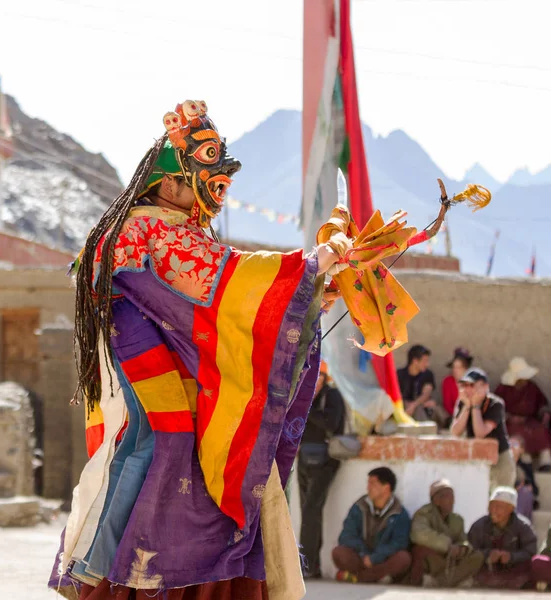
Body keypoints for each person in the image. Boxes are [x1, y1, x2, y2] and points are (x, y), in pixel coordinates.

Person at [48, 100, 353, 600]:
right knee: (164, 432)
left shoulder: (173, 226)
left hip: (153, 336)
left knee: (186, 434)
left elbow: (218, 280)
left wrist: (308, 292)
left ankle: (125, 564)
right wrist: (308, 267)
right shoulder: (150, 224)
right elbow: (225, 276)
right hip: (132, 332)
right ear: (169, 182)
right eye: (203, 176)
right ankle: (100, 566)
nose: (214, 189)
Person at [297, 360, 345, 579]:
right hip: (305, 458)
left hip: (326, 460)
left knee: (310, 511)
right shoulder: (304, 395)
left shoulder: (331, 396)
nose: (313, 381)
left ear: (325, 378)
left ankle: (306, 565)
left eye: (318, 376)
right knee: (309, 512)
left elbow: (332, 424)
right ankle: (311, 565)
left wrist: (307, 408)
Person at [332, 467, 411, 584]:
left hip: (383, 559)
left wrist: (375, 558)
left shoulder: (399, 513)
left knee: (403, 558)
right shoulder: (359, 507)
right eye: (368, 483)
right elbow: (346, 536)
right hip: (361, 559)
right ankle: (377, 576)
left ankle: (359, 577)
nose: (368, 488)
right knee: (338, 553)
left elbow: (400, 542)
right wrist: (364, 554)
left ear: (386, 488)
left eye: (373, 484)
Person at [409, 479, 484, 587]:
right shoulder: (424, 514)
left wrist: (462, 548)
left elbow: (463, 539)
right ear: (436, 500)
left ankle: (439, 581)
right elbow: (418, 534)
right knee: (420, 551)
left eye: (453, 497)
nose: (452, 501)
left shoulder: (457, 519)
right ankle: (455, 580)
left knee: (478, 556)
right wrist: (448, 546)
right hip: (435, 559)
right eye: (448, 497)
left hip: (451, 560)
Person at [450, 368, 515, 490]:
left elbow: (480, 433)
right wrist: (467, 407)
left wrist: (475, 406)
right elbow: (455, 431)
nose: (468, 389)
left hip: (499, 459)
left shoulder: (495, 404)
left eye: (472, 385)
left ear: (485, 387)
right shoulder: (463, 402)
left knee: (501, 500)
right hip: (477, 459)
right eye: (465, 385)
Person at [468, 486, 537, 589]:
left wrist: (512, 557)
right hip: (487, 568)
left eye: (499, 507)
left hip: (512, 568)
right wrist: (487, 555)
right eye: (491, 506)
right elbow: (470, 549)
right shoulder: (479, 525)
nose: (493, 510)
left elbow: (531, 551)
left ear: (511, 509)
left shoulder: (523, 526)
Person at [495, 357, 551, 472]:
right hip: (509, 422)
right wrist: (509, 417)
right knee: (516, 433)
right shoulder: (503, 388)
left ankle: (545, 461)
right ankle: (524, 460)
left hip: (529, 420)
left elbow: (542, 403)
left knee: (539, 429)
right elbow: (496, 407)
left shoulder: (531, 387)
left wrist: (545, 413)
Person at [398, 345, 448, 428]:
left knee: (426, 408)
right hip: (404, 409)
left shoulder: (427, 374)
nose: (427, 364)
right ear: (415, 361)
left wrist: (413, 405)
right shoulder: (400, 374)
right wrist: (406, 404)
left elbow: (426, 394)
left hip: (422, 407)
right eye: (424, 361)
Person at [510, 436, 539, 521]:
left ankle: (520, 522)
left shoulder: (526, 468)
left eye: (514, 444)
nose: (511, 447)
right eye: (509, 444)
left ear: (521, 450)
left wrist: (527, 485)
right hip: (507, 495)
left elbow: (535, 490)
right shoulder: (500, 466)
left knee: (525, 492)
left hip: (521, 497)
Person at [441, 347, 473, 417]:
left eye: (459, 367)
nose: (455, 370)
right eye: (454, 367)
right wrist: (459, 417)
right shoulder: (448, 382)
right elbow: (447, 405)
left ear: (466, 369)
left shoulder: (473, 382)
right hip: (454, 417)